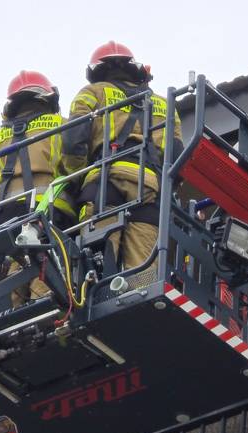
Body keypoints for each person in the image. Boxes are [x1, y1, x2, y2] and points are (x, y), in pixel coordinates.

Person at [61, 41, 183, 272]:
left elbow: (73, 141)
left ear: (95, 72)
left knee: (97, 261)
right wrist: (167, 188)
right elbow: (177, 153)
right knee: (142, 267)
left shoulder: (91, 93)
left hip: (105, 181)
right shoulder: (164, 104)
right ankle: (138, 294)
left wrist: (75, 179)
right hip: (149, 186)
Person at [0, 70, 76, 306]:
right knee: (45, 268)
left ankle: (17, 316)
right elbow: (75, 166)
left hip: (6, 217)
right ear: (47, 99)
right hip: (49, 210)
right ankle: (43, 312)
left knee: (17, 271)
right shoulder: (61, 125)